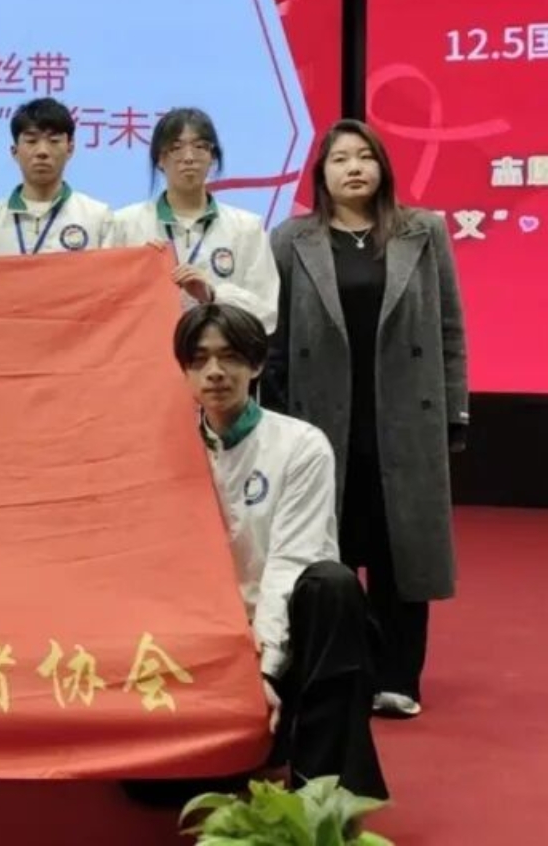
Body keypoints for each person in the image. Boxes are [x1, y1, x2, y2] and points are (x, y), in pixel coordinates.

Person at [263, 118, 468, 720]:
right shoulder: (291, 240)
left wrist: (454, 408)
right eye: (340, 159)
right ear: (321, 174)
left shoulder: (423, 231)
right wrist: (277, 417)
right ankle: (339, 673)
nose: (353, 168)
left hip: (404, 417)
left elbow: (449, 329)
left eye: (364, 157)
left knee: (398, 550)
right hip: (320, 419)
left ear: (382, 167)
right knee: (330, 550)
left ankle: (399, 677)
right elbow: (276, 338)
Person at [175, 303, 387, 798]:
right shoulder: (169, 449)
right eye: (199, 359)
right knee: (156, 793)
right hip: (206, 648)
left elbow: (291, 563)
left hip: (285, 645)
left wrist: (264, 666)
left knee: (332, 586)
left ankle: (328, 792)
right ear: (183, 371)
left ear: (255, 364)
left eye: (230, 357)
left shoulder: (300, 446)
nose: (215, 372)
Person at [111, 107, 279, 332]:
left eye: (200, 147)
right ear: (160, 158)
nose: (189, 157)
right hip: (148, 347)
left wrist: (213, 294)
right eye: (176, 148)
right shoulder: (125, 224)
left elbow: (266, 313)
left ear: (212, 157)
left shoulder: (247, 227)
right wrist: (141, 272)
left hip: (220, 349)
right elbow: (108, 303)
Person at [0, 98, 114, 257]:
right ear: (14, 151)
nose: (42, 151)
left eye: (54, 141)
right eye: (31, 141)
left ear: (70, 149)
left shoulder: (98, 217)